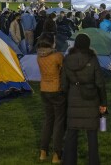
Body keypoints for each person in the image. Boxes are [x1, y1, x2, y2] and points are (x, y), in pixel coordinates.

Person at [61, 34, 107, 165]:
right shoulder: (92, 59)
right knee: (92, 134)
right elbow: (100, 83)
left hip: (73, 98)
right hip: (91, 98)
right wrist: (104, 102)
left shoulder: (67, 59)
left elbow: (63, 84)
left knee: (71, 134)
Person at [37, 33, 66, 164]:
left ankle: (43, 151)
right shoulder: (57, 56)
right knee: (59, 122)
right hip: (56, 90)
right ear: (51, 43)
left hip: (44, 90)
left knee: (48, 121)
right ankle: (56, 154)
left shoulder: (39, 57)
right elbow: (65, 69)